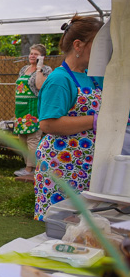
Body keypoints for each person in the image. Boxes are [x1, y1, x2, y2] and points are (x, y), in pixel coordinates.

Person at [34, 15, 104, 220]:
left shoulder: (94, 76)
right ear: (78, 45)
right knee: (63, 226)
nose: (104, 50)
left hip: (87, 165)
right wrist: (94, 121)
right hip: (63, 167)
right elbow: (48, 123)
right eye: (99, 44)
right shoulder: (59, 79)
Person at [12, 44, 52, 177]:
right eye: (31, 53)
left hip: (34, 108)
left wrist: (39, 68)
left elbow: (40, 86)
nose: (32, 56)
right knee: (22, 138)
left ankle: (31, 169)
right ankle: (28, 166)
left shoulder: (46, 70)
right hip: (21, 109)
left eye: (35, 54)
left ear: (42, 57)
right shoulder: (24, 69)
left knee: (33, 139)